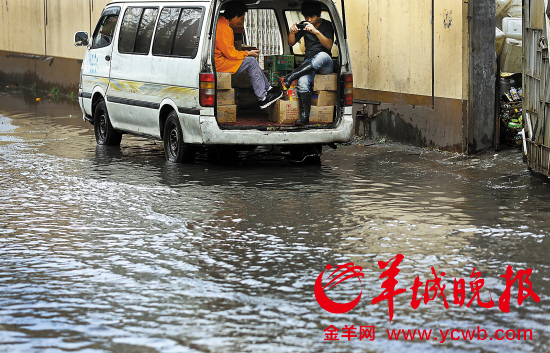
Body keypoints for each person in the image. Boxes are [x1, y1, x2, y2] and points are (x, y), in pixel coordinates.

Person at [215, 1, 282, 109]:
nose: (242, 20)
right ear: (234, 16)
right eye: (241, 18)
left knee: (251, 61)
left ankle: (268, 88)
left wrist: (246, 53)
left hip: (219, 60)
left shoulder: (219, 22)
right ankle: (263, 98)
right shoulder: (225, 29)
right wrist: (248, 53)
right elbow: (230, 54)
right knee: (251, 61)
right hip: (219, 63)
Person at [283, 1, 334, 125]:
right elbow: (291, 43)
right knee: (302, 83)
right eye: (306, 17)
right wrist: (292, 32)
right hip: (309, 62)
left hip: (325, 63)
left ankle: (291, 76)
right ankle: (304, 117)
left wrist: (315, 32)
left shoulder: (327, 25)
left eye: (312, 17)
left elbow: (328, 45)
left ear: (318, 15)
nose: (309, 19)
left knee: (321, 55)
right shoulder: (303, 25)